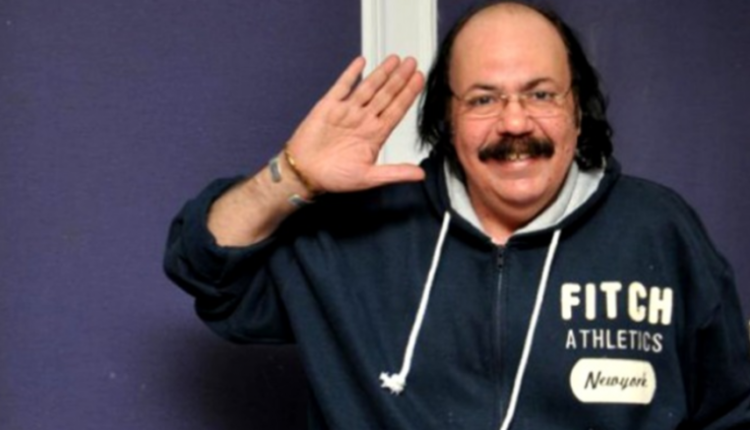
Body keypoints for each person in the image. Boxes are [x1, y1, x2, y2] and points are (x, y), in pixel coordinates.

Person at [164, 1, 750, 429]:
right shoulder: (356, 233)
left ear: (578, 109)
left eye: (541, 94)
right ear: (447, 118)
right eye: (483, 99)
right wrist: (292, 177)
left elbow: (732, 408)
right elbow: (206, 271)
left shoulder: (659, 230)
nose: (515, 122)